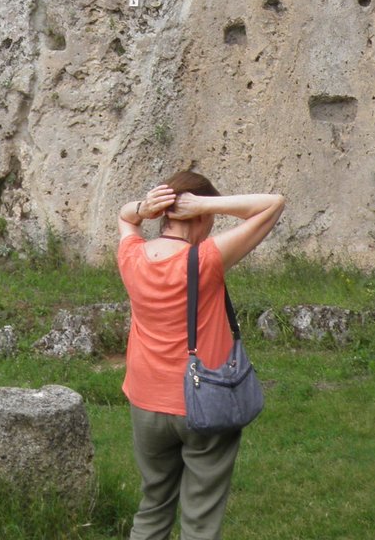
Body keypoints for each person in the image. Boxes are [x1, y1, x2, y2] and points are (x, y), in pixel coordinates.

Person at [116, 171, 286, 540]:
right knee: (200, 520)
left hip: (145, 402)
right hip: (205, 401)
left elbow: (126, 217)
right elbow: (273, 204)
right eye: (208, 217)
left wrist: (144, 207)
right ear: (199, 214)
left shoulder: (132, 255)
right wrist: (207, 203)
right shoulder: (207, 258)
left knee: (153, 505)